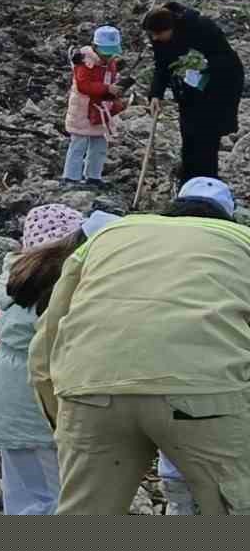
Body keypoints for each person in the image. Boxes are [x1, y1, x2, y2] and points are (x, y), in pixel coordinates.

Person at [28, 177, 250, 515]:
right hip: (202, 390)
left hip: (90, 386)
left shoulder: (110, 235)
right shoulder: (241, 242)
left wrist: (66, 423)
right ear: (227, 218)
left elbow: (47, 337)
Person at [0, 203, 86, 515]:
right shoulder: (56, 292)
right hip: (32, 409)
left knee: (27, 493)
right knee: (48, 500)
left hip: (9, 402)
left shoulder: (13, 286)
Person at [143, 3, 243, 181]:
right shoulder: (158, 35)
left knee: (207, 138)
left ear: (171, 28)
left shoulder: (202, 27)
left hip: (218, 88)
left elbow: (227, 59)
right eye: (152, 35)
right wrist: (156, 94)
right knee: (189, 134)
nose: (155, 39)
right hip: (188, 89)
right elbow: (162, 66)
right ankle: (188, 181)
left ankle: (207, 183)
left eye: (158, 34)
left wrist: (202, 63)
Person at [62, 25, 128, 187]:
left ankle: (93, 176)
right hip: (83, 111)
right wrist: (107, 89)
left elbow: (110, 80)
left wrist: (116, 93)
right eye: (105, 53)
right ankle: (71, 177)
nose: (108, 57)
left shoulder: (110, 62)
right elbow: (83, 85)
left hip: (100, 110)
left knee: (99, 145)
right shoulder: (84, 62)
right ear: (95, 47)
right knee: (78, 144)